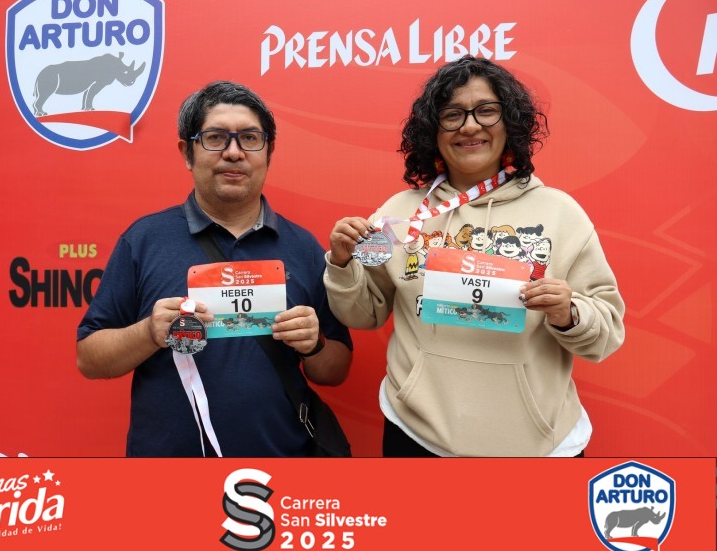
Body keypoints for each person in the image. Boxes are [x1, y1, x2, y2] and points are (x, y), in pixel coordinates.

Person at [323, 56, 624, 457]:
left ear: (510, 123)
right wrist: (342, 264)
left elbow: (605, 336)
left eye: (486, 111)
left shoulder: (561, 214)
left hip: (540, 444)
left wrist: (568, 312)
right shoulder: (400, 214)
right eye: (452, 115)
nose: (469, 126)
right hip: (418, 433)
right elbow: (364, 315)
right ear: (433, 131)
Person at [77, 80, 353, 457]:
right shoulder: (144, 240)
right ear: (187, 153)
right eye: (216, 138)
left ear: (269, 151)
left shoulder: (303, 247)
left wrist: (314, 343)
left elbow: (335, 370)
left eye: (250, 138)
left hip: (279, 468)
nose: (234, 153)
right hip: (167, 474)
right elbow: (89, 359)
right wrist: (148, 331)